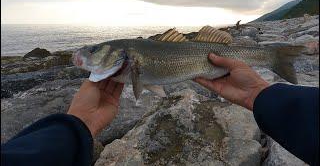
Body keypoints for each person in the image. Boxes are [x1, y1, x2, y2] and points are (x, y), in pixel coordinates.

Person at [1, 53, 319, 166]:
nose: (85, 57)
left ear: (121, 54)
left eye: (95, 52)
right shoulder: (128, 65)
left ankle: (274, 57)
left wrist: (77, 124)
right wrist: (262, 95)